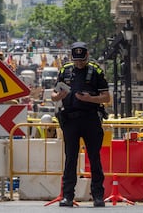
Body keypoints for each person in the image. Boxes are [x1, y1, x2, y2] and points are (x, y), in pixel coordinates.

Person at [51, 42, 110, 208]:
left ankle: (98, 195)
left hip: (90, 118)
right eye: (76, 60)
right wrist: (58, 96)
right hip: (70, 119)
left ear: (87, 56)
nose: (79, 64)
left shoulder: (96, 71)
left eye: (82, 60)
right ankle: (67, 196)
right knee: (70, 158)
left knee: (94, 158)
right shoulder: (65, 70)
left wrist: (89, 99)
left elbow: (106, 97)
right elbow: (53, 95)